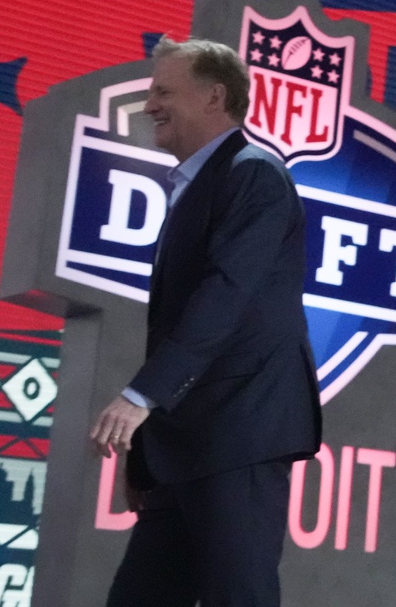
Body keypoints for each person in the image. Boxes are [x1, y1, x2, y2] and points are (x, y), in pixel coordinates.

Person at [87, 38, 321, 607]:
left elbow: (227, 294)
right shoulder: (204, 184)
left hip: (237, 435)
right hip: (184, 448)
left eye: (163, 91)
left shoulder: (254, 174)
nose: (149, 106)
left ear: (214, 96)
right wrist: (148, 452)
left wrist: (142, 397)